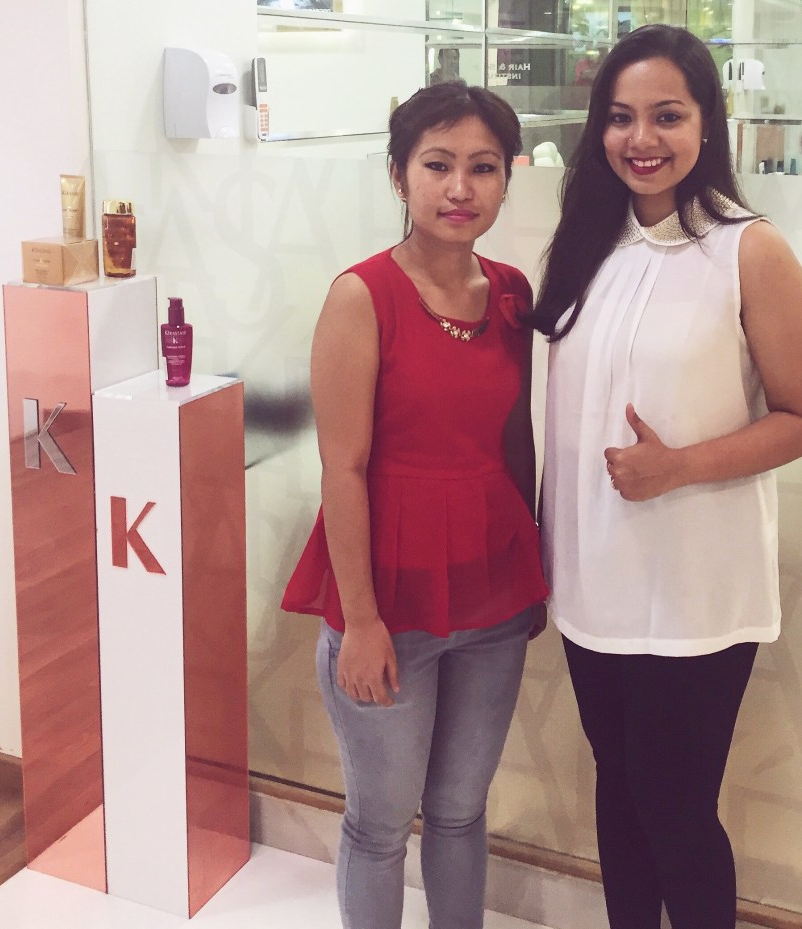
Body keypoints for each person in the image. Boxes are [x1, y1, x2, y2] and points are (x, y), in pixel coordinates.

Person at [532, 24, 802, 929]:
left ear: (705, 123)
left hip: (693, 588)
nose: (640, 139)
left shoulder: (747, 249)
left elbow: (797, 414)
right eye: (619, 118)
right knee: (618, 792)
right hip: (592, 583)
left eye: (666, 116)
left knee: (675, 810)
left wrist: (676, 466)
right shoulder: (586, 243)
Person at [281, 81, 548, 929]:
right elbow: (344, 468)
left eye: (482, 167)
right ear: (399, 176)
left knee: (463, 812)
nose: (459, 188)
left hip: (493, 594)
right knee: (380, 823)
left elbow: (516, 443)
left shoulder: (510, 294)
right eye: (437, 165)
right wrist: (360, 621)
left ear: (507, 178)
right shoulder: (361, 296)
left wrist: (532, 570)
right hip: (388, 601)